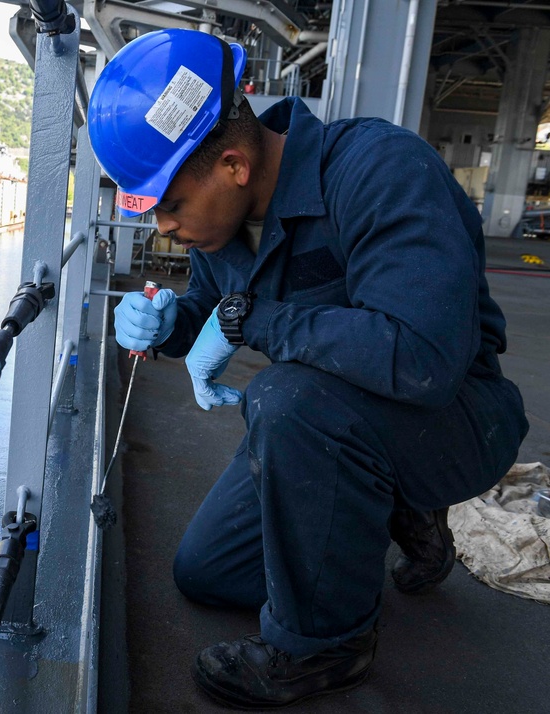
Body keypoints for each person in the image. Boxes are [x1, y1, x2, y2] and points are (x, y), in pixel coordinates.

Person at [87, 29, 529, 709]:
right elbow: (210, 308)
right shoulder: (222, 225)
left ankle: (324, 648)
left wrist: (253, 322)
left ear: (232, 164)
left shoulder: (380, 171)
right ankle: (386, 511)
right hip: (336, 425)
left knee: (285, 397)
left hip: (455, 418)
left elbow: (424, 360)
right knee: (207, 572)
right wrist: (170, 323)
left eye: (170, 206)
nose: (163, 230)